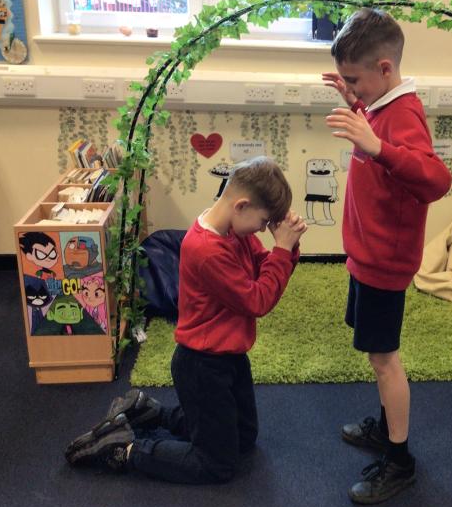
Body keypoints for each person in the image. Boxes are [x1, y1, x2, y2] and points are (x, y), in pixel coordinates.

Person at [65, 156, 308, 484]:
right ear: (241, 205)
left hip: (230, 356)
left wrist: (287, 248)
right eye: (263, 221)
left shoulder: (233, 229)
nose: (263, 230)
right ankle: (125, 449)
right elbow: (257, 300)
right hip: (202, 365)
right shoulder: (207, 249)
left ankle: (148, 411)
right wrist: (283, 251)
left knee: (243, 438)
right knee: (217, 465)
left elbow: (265, 265)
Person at [323, 8, 452, 504]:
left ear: (385, 68)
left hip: (385, 261)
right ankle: (384, 428)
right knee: (375, 353)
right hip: (367, 254)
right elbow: (379, 142)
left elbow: (435, 179)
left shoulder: (403, 112)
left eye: (356, 80)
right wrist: (354, 102)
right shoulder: (379, 104)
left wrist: (377, 146)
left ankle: (400, 460)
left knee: (384, 360)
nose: (352, 88)